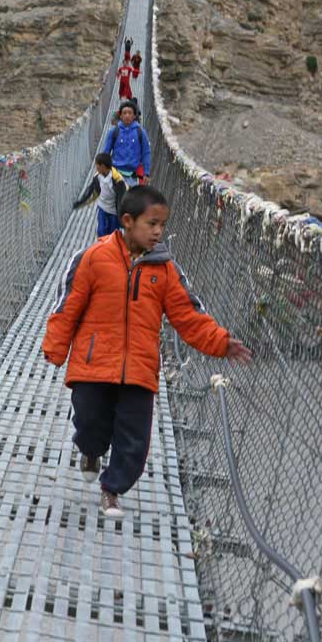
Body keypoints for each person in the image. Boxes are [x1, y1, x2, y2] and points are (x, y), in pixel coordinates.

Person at [43, 185, 253, 516]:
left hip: (139, 368)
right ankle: (91, 451)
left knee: (135, 440)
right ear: (128, 221)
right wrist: (55, 347)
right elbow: (67, 305)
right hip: (93, 362)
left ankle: (112, 489)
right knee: (89, 420)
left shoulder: (166, 270)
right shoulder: (93, 258)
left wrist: (221, 342)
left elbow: (188, 314)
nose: (158, 232)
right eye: (151, 223)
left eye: (162, 225)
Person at [72, 152, 126, 238]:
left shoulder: (117, 180)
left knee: (113, 234)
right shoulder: (97, 177)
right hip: (102, 208)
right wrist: (81, 202)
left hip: (114, 212)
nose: (96, 168)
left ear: (103, 167)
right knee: (101, 231)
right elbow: (90, 191)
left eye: (97, 165)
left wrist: (122, 218)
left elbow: (122, 200)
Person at [102, 100, 150, 186]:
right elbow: (106, 152)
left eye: (130, 113)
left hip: (133, 176)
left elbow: (146, 152)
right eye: (124, 113)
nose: (127, 115)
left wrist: (146, 173)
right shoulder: (114, 131)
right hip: (115, 174)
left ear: (134, 116)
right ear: (120, 116)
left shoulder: (141, 132)